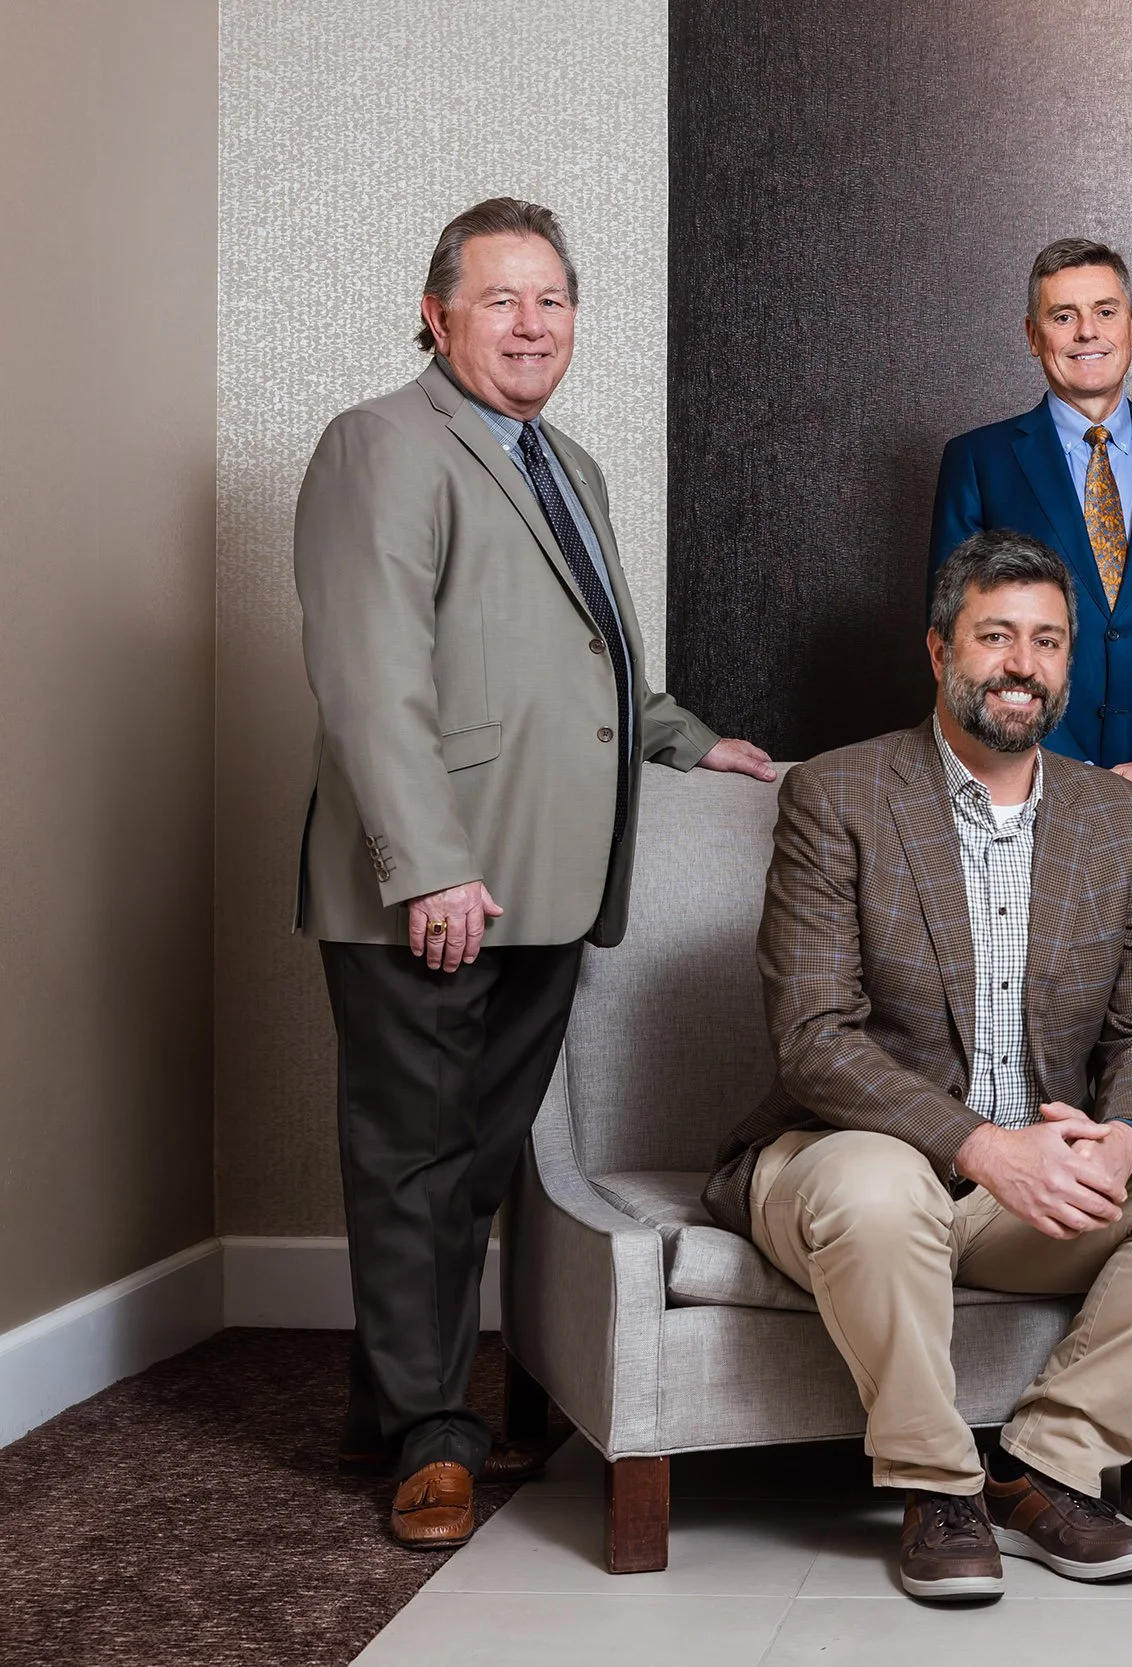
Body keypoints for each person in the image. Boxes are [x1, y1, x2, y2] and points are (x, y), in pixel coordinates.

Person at [293, 198, 775, 1550]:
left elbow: (603, 667)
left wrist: (694, 739)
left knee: (473, 1160)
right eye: (500, 298)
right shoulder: (382, 444)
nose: (530, 323)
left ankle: (393, 1398)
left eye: (552, 298)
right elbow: (368, 677)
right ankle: (432, 1439)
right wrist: (427, 867)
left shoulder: (569, 463)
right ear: (435, 313)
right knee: (413, 1160)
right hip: (436, 888)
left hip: (551, 882)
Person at [702, 531, 1132, 1602]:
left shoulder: (1118, 819)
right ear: (938, 649)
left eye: (1047, 640)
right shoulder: (838, 795)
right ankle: (935, 1485)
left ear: (1068, 664)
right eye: (996, 634)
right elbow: (816, 1037)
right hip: (845, 1166)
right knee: (879, 1184)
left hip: (1031, 1198)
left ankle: (1040, 1465)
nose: (1021, 662)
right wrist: (981, 1144)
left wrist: (1125, 1136)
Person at [930, 238, 1132, 994]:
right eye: (1064, 315)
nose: (1087, 332)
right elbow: (957, 641)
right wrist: (1060, 769)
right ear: (1032, 333)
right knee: (1023, 1035)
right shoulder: (978, 462)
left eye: (1105, 312)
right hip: (1022, 803)